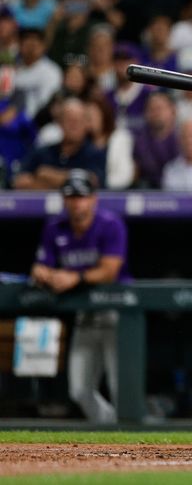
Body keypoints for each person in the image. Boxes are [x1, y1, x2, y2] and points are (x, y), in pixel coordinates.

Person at [30, 170, 131, 423]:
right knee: (78, 390)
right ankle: (111, 430)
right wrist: (41, 272)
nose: (77, 202)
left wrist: (76, 277)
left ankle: (131, 438)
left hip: (116, 311)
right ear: (64, 200)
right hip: (85, 313)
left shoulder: (110, 224)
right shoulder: (55, 227)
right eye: (71, 197)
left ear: (93, 199)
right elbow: (45, 265)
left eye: (82, 197)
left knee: (121, 388)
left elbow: (109, 270)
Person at [14, 98, 106, 190]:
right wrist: (70, 182)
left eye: (78, 121)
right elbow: (19, 182)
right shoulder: (41, 153)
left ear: (86, 124)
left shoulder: (95, 154)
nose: (74, 126)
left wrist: (47, 176)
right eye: (70, 121)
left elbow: (92, 182)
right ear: (60, 123)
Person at [133, 92, 180, 189]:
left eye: (160, 108)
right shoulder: (140, 141)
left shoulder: (182, 138)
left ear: (173, 111)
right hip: (150, 190)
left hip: (180, 188)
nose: (156, 113)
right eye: (151, 109)